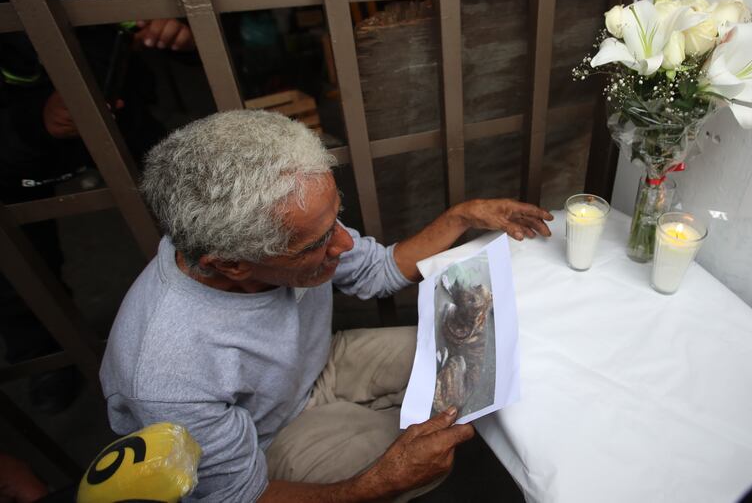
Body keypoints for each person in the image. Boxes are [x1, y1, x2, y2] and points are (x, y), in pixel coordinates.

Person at [100, 109, 553, 501]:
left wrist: (463, 215)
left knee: (483, 354)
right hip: (267, 442)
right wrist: (379, 483)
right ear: (232, 265)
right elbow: (240, 497)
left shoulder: (275, 228)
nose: (343, 242)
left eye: (336, 217)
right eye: (317, 243)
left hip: (316, 363)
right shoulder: (166, 373)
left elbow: (377, 269)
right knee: (432, 452)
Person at [0, 0, 194, 414]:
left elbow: (153, 0)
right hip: (19, 142)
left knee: (188, 203)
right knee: (22, 261)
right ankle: (51, 358)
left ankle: (216, 307)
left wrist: (169, 25)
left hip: (116, 112)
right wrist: (33, 119)